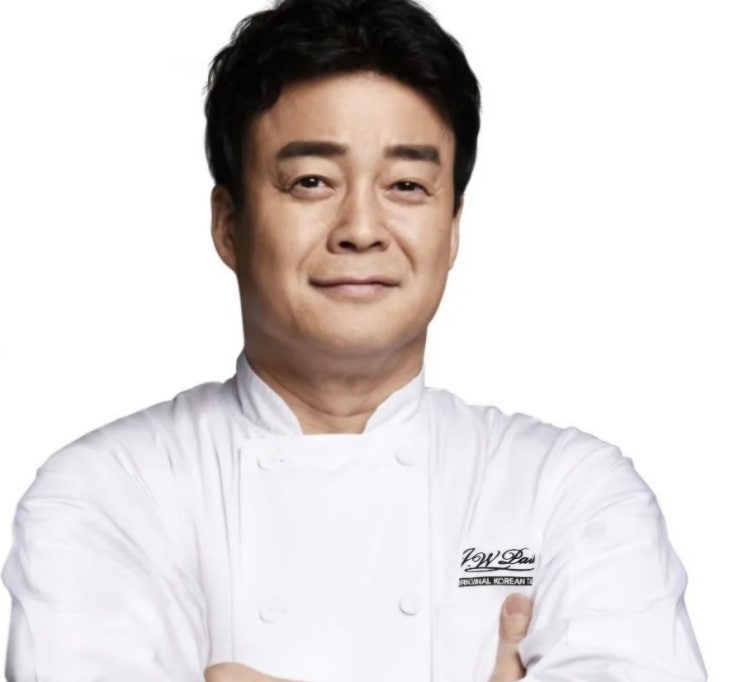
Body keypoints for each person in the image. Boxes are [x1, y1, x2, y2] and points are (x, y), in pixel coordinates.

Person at [1, 0, 707, 680]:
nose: (362, 229)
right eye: (312, 181)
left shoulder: (569, 491)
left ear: (452, 227)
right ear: (229, 225)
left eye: (406, 185)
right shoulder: (109, 493)